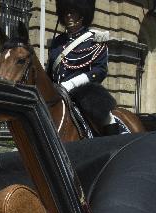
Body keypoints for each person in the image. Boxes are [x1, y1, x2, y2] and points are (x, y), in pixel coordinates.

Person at [47, 0, 120, 136]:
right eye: (65, 12)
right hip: (57, 92)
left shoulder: (95, 39)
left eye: (73, 12)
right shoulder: (57, 42)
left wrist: (71, 84)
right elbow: (50, 72)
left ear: (82, 14)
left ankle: (114, 147)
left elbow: (100, 71)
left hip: (85, 91)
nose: (68, 16)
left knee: (106, 117)